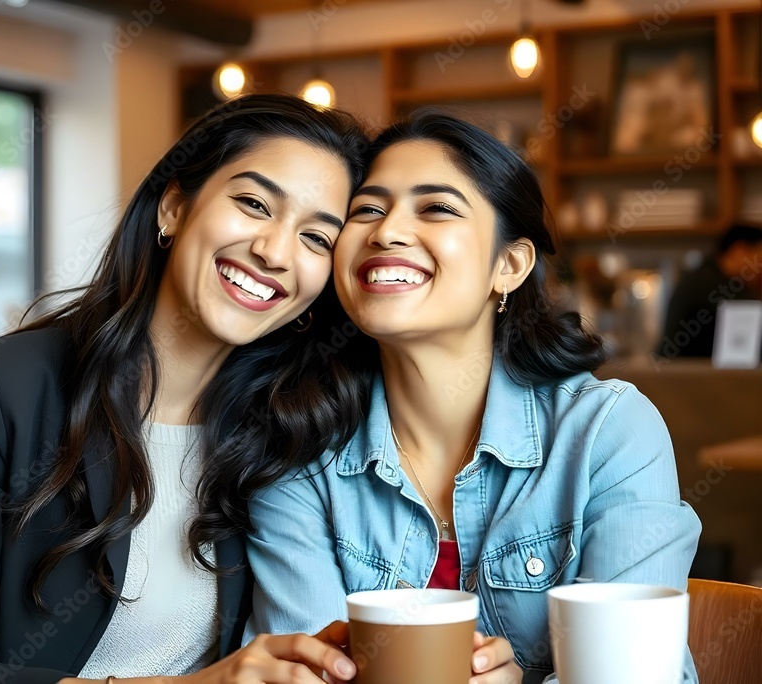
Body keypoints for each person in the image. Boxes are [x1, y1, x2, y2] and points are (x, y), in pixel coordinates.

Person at [0, 93, 372, 684]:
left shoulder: (287, 430)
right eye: (253, 203)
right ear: (174, 208)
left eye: (317, 239)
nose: (275, 251)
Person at [246, 111, 702, 684]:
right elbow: (308, 672)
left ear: (508, 266)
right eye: (367, 209)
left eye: (436, 208)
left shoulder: (607, 432)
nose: (386, 232)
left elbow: (633, 675)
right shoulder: (299, 447)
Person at [659, 224, 762, 359]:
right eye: (759, 260)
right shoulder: (714, 285)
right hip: (687, 376)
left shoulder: (704, 276)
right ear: (739, 250)